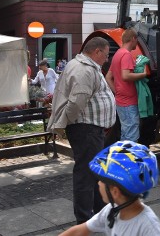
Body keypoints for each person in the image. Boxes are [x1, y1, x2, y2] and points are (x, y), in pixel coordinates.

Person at [47, 37, 116, 224]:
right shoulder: (84, 69)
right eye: (106, 55)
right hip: (86, 129)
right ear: (97, 52)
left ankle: (98, 215)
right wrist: (69, 121)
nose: (107, 59)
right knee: (86, 177)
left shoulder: (84, 65)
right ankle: (85, 220)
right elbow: (77, 101)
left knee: (94, 174)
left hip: (89, 129)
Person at [59, 141, 160, 236]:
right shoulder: (111, 210)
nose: (99, 183)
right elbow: (81, 230)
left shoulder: (149, 226)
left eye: (102, 180)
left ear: (115, 191)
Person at [105, 29, 147, 144]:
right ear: (133, 39)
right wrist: (142, 74)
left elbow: (108, 77)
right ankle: (129, 160)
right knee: (132, 135)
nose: (136, 43)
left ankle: (123, 159)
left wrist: (117, 91)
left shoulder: (117, 54)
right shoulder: (126, 54)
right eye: (136, 40)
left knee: (125, 133)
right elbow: (126, 76)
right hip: (129, 102)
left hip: (121, 101)